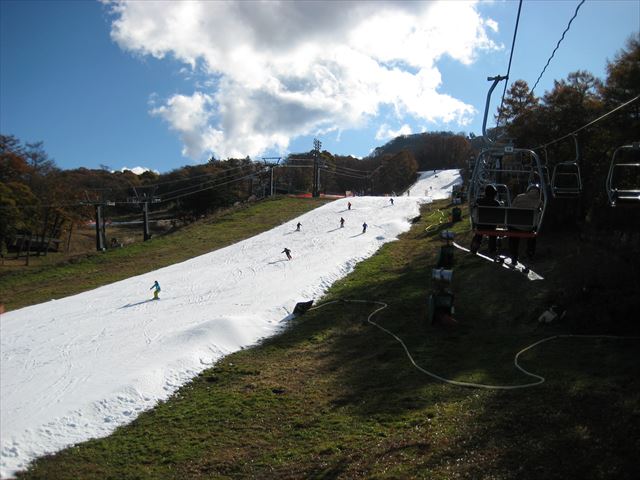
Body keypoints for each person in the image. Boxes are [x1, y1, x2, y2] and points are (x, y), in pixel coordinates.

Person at [508, 184, 542, 264]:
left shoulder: (519, 197)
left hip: (515, 226)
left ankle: (514, 255)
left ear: (528, 190)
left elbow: (512, 209)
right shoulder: (539, 201)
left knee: (513, 235)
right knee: (533, 233)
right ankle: (530, 254)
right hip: (529, 227)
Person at [470, 184, 500, 255]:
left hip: (480, 225)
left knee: (478, 234)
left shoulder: (478, 201)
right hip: (491, 226)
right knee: (493, 234)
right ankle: (492, 250)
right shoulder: (496, 203)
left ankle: (474, 248)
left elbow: (474, 212)